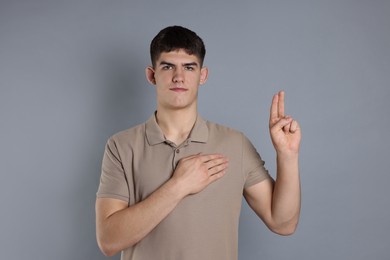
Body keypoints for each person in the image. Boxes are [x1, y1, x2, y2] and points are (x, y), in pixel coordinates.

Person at [95, 25, 301, 260]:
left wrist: (287, 156)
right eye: (168, 66)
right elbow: (109, 241)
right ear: (152, 75)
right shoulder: (121, 146)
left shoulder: (235, 144)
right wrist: (179, 186)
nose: (179, 77)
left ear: (202, 75)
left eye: (189, 67)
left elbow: (283, 223)